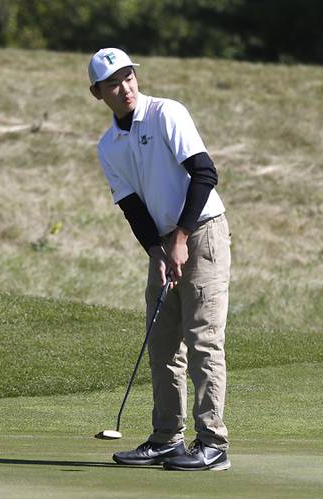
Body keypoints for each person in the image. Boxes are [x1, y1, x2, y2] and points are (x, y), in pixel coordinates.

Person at [88, 48, 232, 471]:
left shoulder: (167, 113)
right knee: (162, 344)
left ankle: (213, 444)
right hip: (165, 243)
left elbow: (205, 174)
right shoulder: (108, 146)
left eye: (129, 77)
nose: (125, 87)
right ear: (98, 93)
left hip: (202, 232)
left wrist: (182, 238)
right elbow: (132, 207)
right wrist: (158, 251)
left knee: (203, 340)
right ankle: (168, 437)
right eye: (114, 82)